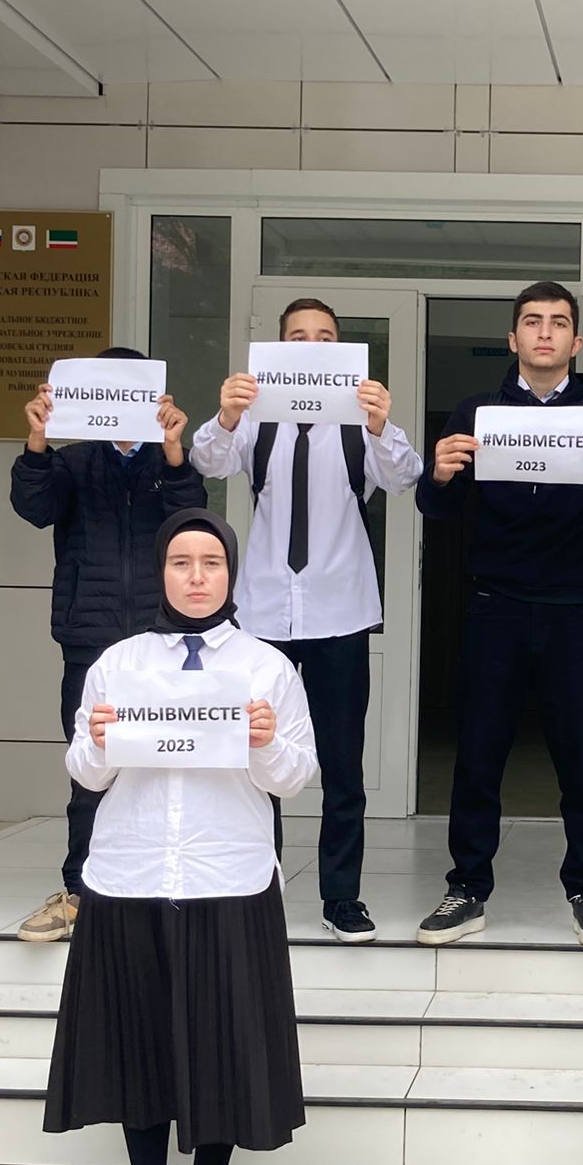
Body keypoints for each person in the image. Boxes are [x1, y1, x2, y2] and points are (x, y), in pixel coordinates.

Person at [43, 508, 318, 1165]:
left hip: (227, 874)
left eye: (211, 563)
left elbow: (295, 776)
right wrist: (98, 742)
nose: (197, 577)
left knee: (222, 1041)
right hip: (131, 872)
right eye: (181, 563)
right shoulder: (118, 663)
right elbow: (86, 771)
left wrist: (264, 742)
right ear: (160, 571)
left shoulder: (267, 668)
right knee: (137, 1036)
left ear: (231, 573)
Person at [415, 280, 583, 949]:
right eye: (533, 321)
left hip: (570, 612)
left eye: (558, 322)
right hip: (493, 607)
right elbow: (435, 509)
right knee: (478, 755)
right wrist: (437, 474)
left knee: (582, 758)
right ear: (513, 338)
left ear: (577, 341)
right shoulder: (478, 412)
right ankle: (467, 888)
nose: (545, 332)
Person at [190, 297, 424, 944]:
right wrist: (226, 414)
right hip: (263, 612)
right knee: (252, 754)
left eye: (325, 337)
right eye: (299, 337)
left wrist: (381, 424)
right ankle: (253, 887)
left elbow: (406, 476)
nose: (312, 346)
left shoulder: (358, 424)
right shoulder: (255, 419)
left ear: (340, 351)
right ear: (280, 348)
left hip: (339, 611)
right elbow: (208, 461)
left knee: (343, 765)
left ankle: (341, 898)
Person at [11, 347, 206, 943]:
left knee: (168, 764)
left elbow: (191, 518)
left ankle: (167, 888)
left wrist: (174, 453)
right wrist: (37, 442)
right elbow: (33, 507)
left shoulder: (167, 458)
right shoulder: (73, 460)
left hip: (160, 636)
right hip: (89, 639)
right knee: (91, 769)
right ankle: (81, 890)